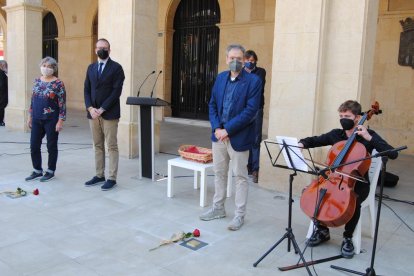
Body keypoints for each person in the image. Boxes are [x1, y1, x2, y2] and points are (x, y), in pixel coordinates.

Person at [298, 100, 398, 258]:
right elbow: (316, 140)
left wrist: (368, 138)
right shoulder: (336, 135)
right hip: (332, 180)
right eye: (341, 115)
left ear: (357, 118)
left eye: (347, 116)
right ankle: (323, 230)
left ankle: (347, 238)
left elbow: (392, 154)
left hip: (357, 184)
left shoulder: (367, 135)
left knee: (354, 201)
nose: (343, 118)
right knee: (312, 194)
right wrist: (302, 144)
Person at [199, 44, 262, 231]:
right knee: (219, 173)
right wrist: (217, 127)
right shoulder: (220, 79)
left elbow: (251, 111)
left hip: (239, 137)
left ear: (244, 60)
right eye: (232, 58)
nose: (236, 61)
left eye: (239, 59)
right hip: (218, 137)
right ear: (226, 59)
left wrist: (228, 130)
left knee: (240, 177)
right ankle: (218, 208)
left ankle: (239, 215)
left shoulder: (254, 81)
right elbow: (212, 105)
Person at [84, 38, 125, 191]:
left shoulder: (116, 68)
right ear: (95, 50)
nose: (102, 50)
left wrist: (102, 109)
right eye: (99, 47)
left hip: (109, 113)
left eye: (105, 48)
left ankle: (112, 178)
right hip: (93, 114)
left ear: (109, 50)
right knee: (97, 145)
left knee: (112, 146)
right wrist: (90, 108)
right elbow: (86, 90)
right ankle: (99, 175)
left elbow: (116, 91)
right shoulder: (91, 68)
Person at [25, 57, 66, 182]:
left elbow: (62, 103)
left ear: (54, 68)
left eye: (49, 66)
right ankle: (37, 170)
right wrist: (30, 116)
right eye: (44, 65)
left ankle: (50, 170)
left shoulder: (58, 83)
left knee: (51, 145)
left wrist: (61, 120)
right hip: (37, 118)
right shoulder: (37, 81)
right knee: (34, 145)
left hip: (51, 119)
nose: (46, 68)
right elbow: (33, 100)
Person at [244, 50, 266, 183]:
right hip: (244, 109)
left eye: (252, 61)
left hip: (256, 108)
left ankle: (255, 169)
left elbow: (256, 85)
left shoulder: (260, 72)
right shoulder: (240, 72)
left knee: (256, 138)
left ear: (255, 61)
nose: (250, 63)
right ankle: (247, 165)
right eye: (248, 60)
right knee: (245, 137)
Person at [0, 60, 8, 126]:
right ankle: (1, 121)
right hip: (2, 93)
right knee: (2, 107)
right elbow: (2, 84)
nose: (5, 66)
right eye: (3, 65)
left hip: (3, 93)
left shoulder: (4, 72)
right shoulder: (2, 73)